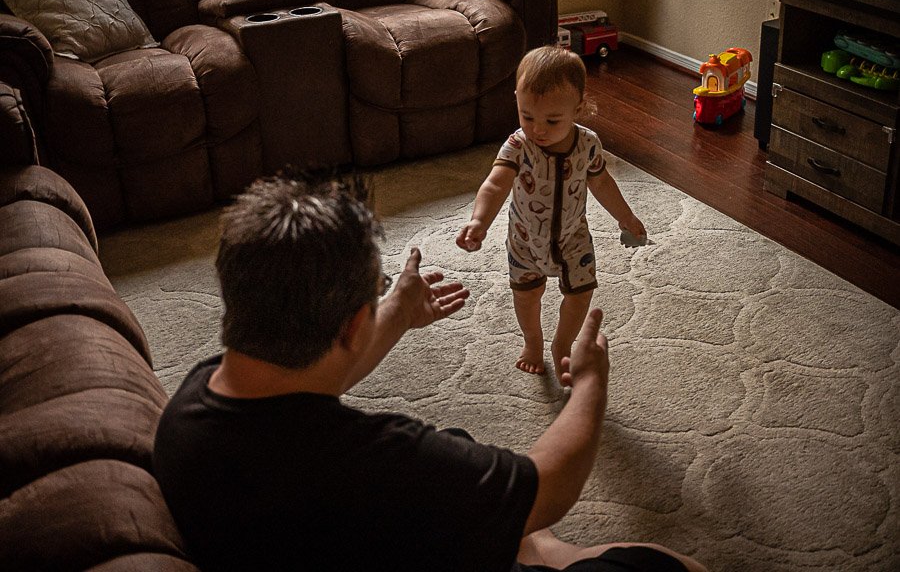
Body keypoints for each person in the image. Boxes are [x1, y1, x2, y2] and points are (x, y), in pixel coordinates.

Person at [152, 174, 705, 572]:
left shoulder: (191, 404)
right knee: (668, 564)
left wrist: (392, 313)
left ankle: (531, 545)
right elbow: (550, 486)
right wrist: (589, 384)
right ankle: (551, 552)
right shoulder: (380, 461)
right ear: (354, 325)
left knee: (464, 461)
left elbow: (309, 378)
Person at [457, 45, 646, 379]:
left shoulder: (588, 144)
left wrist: (625, 216)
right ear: (517, 100)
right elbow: (495, 184)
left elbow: (602, 183)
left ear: (579, 108)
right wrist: (479, 220)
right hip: (525, 240)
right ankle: (532, 341)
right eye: (527, 116)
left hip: (573, 238)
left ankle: (562, 343)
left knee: (582, 293)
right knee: (527, 296)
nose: (538, 129)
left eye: (552, 120)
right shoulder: (518, 146)